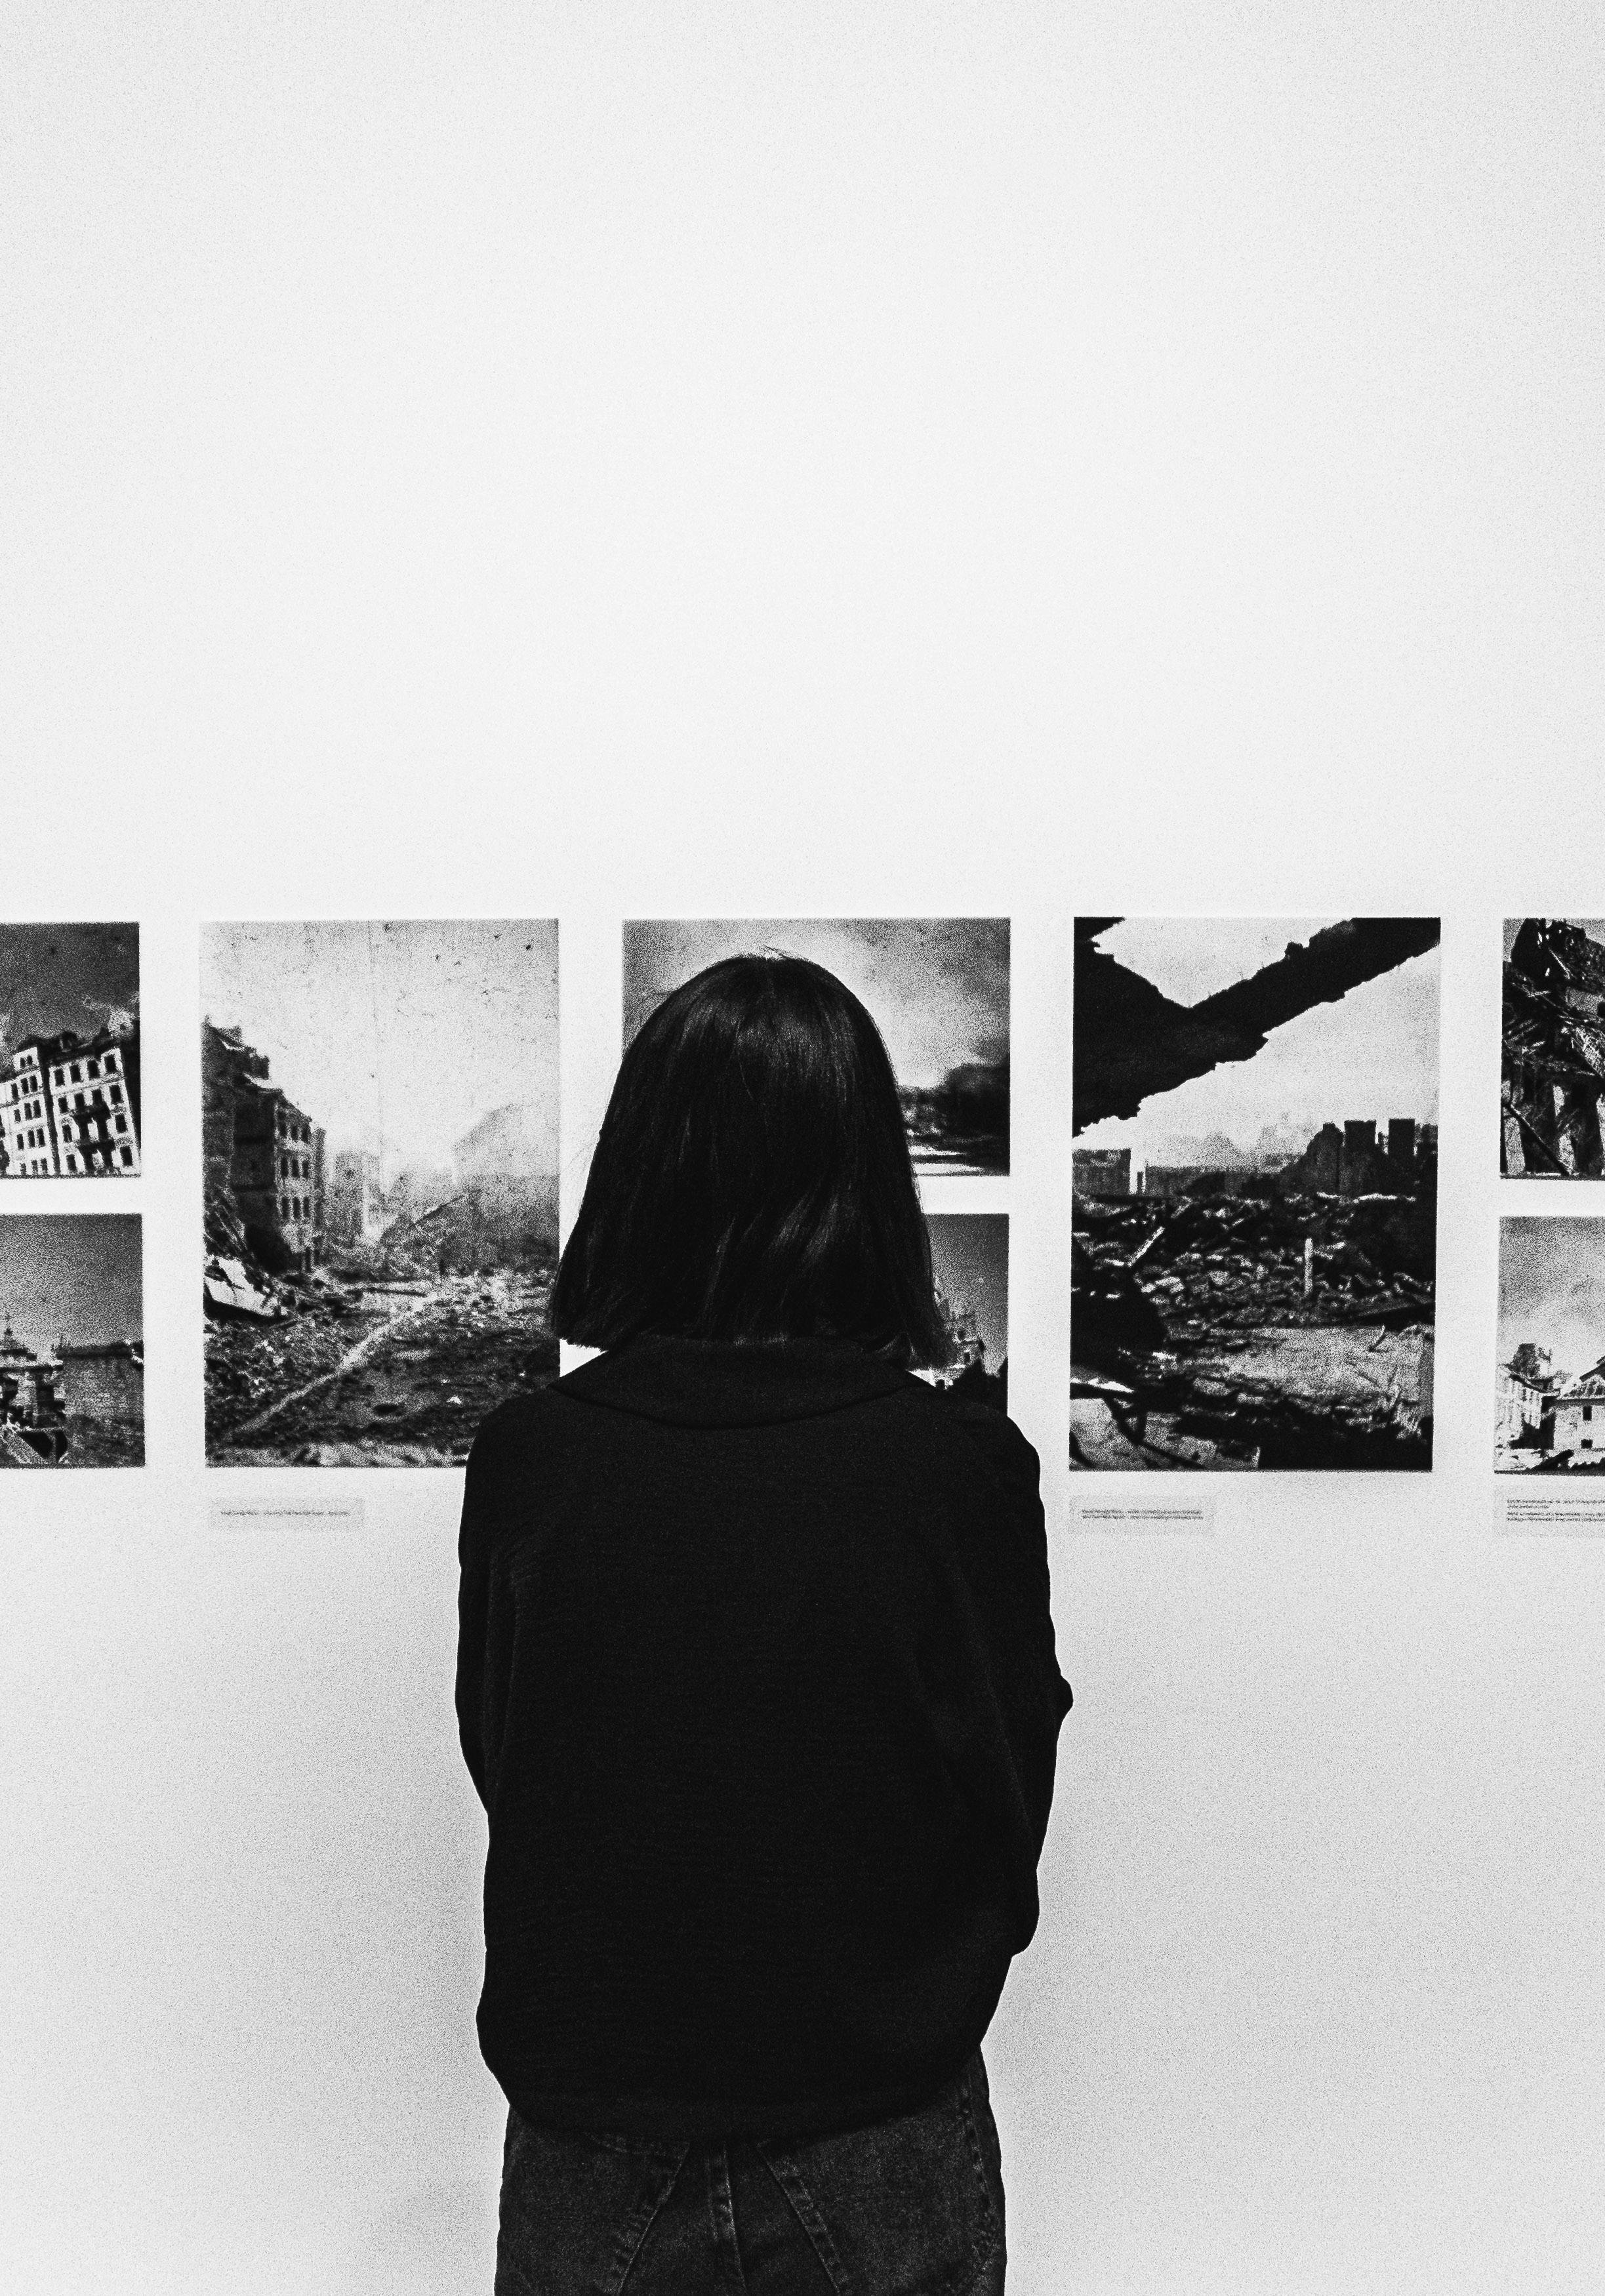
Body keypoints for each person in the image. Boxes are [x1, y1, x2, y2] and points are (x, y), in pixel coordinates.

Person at [457, 954, 1071, 2293]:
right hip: (876, 2119)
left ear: (640, 1172)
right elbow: (1006, 1782)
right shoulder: (956, 1470)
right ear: (867, 1181)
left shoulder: (532, 1461)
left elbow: (507, 1754)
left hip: (596, 2130)